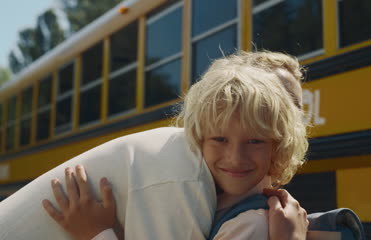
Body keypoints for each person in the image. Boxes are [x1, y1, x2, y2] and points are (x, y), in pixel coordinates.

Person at [0, 51, 309, 240]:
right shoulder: (192, 190)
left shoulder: (249, 222)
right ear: (199, 135)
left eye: (256, 139)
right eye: (220, 138)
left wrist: (96, 234)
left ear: (281, 140)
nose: (235, 156)